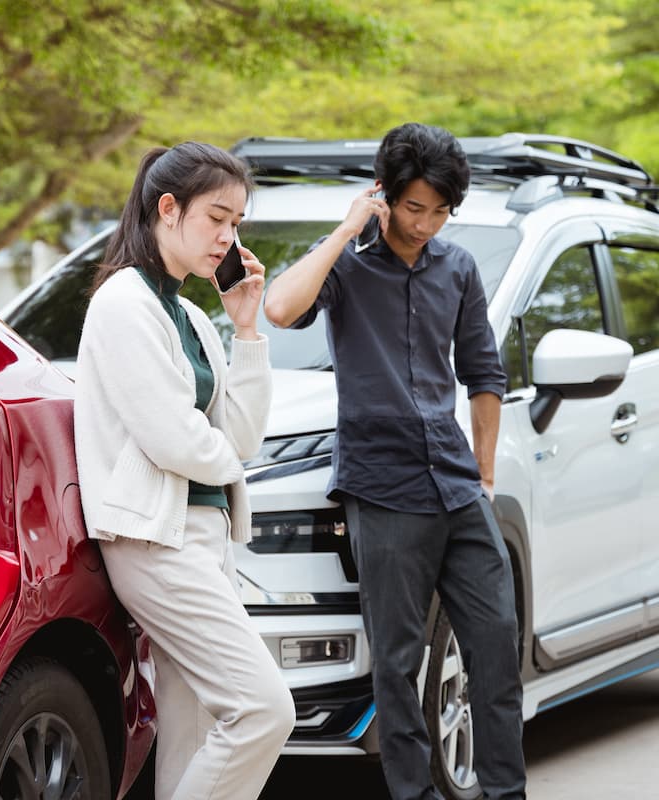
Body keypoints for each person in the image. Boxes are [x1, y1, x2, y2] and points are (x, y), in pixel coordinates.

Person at [263, 123, 526, 800]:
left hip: (457, 485)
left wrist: (485, 476)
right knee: (398, 664)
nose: (426, 224)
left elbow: (484, 373)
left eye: (440, 211)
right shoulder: (347, 266)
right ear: (384, 194)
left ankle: (506, 792)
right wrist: (347, 228)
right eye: (414, 207)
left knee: (496, 646)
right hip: (382, 488)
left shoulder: (457, 268)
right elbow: (281, 307)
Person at [75, 141, 295, 800]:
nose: (228, 238)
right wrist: (228, 457)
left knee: (195, 731)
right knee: (262, 709)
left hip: (202, 534)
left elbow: (242, 434)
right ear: (168, 209)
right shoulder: (124, 302)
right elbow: (174, 438)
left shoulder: (191, 314)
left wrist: (247, 329)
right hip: (155, 541)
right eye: (216, 219)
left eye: (236, 224)